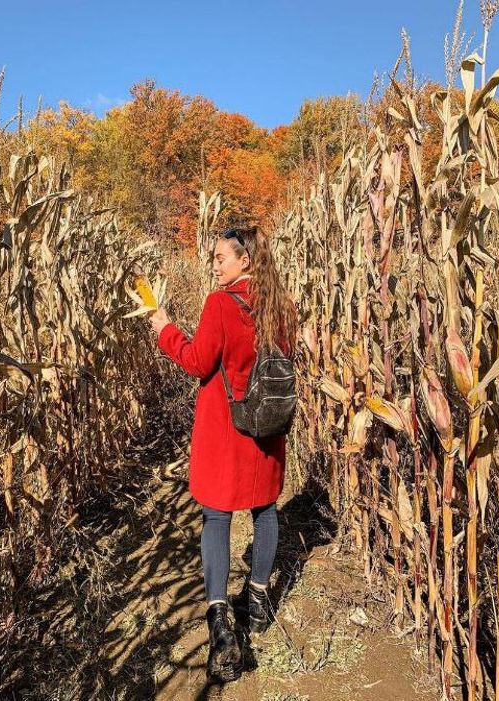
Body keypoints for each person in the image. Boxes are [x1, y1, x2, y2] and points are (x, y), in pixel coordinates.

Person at [147, 225, 296, 683]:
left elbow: (197, 361)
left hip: (227, 430)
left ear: (244, 261)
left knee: (217, 517)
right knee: (265, 511)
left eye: (220, 257)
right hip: (267, 429)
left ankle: (219, 622)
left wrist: (164, 328)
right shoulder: (281, 306)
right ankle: (256, 600)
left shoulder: (220, 304)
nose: (214, 263)